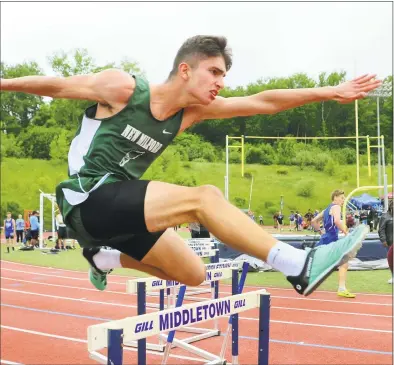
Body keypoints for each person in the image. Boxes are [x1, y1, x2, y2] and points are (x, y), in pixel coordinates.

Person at [1, 35, 376, 296]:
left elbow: (263, 101)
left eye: (223, 75)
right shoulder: (123, 89)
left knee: (192, 274)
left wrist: (329, 91)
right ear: (185, 70)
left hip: (119, 212)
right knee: (204, 198)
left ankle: (103, 256)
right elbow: (55, 85)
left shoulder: (190, 114)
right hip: (86, 198)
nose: (220, 82)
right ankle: (296, 263)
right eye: (213, 72)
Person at [311, 189, 357, 298]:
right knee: (344, 261)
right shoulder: (336, 207)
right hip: (331, 239)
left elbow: (313, 221)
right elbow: (337, 221)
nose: (343, 200)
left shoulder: (326, 209)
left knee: (317, 263)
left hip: (326, 238)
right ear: (335, 197)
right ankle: (341, 288)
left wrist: (321, 232)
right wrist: (346, 232)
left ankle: (341, 288)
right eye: (342, 198)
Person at [378, 200, 393, 284]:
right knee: (391, 260)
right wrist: (383, 240)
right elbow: (381, 229)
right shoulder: (385, 216)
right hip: (390, 242)